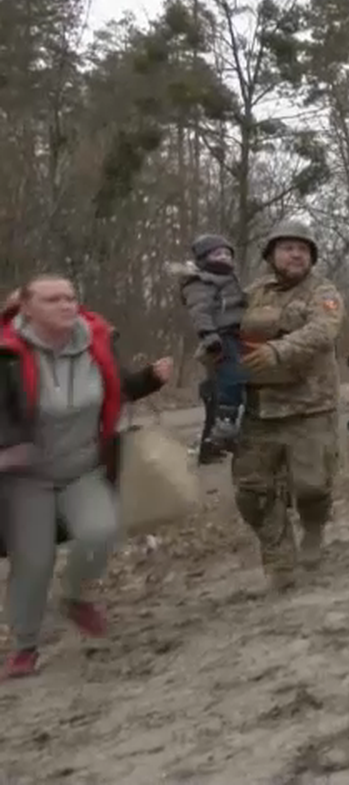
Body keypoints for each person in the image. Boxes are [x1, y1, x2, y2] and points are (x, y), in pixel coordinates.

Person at [0, 275, 173, 679]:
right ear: (26, 307)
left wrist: (150, 378)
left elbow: (116, 387)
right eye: (52, 299)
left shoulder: (96, 340)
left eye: (70, 297)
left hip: (83, 465)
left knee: (101, 530)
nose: (65, 305)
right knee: (33, 559)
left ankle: (75, 597)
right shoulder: (6, 354)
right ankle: (25, 646)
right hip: (27, 475)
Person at [233, 219, 347, 592]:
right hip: (259, 409)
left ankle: (313, 528)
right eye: (287, 247)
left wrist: (277, 350)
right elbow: (225, 329)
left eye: (303, 248)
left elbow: (322, 331)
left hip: (310, 407)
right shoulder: (250, 293)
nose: (296, 253)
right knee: (251, 491)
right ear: (271, 254)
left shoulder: (323, 292)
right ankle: (280, 561)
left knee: (312, 487)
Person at [174, 234, 248, 448]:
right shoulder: (201, 282)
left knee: (245, 376)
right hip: (221, 334)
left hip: (240, 333)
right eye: (218, 254)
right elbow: (200, 311)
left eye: (227, 253)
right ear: (204, 259)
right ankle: (224, 420)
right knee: (232, 375)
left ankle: (233, 422)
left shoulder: (229, 278)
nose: (224, 257)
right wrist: (209, 335)